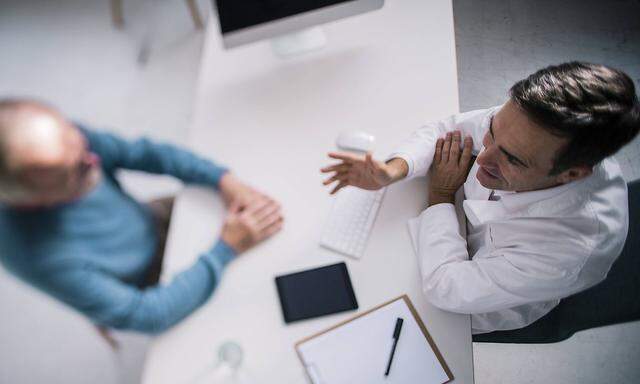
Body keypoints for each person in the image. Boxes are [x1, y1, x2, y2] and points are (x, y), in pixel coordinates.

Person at [321, 62, 640, 334]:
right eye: (492, 132)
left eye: (513, 159)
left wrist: (441, 196)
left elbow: (447, 289)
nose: (483, 159)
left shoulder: (568, 252)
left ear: (571, 174)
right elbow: (446, 130)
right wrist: (393, 171)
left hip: (464, 308)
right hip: (444, 227)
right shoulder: (528, 126)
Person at [0, 99, 283, 335]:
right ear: (32, 199)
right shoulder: (34, 254)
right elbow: (147, 315)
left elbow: (145, 154)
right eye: (78, 170)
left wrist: (222, 179)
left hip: (150, 217)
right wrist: (225, 249)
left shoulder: (62, 144)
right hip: (149, 280)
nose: (94, 159)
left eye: (80, 141)